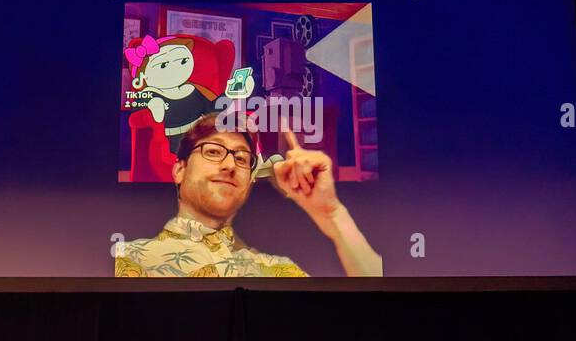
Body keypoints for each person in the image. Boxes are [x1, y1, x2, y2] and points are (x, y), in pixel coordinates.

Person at [114, 113, 382, 277]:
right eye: (213, 151)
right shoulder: (125, 259)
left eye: (242, 158)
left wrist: (332, 214)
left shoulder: (276, 269)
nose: (230, 165)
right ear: (179, 170)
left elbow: (378, 315)